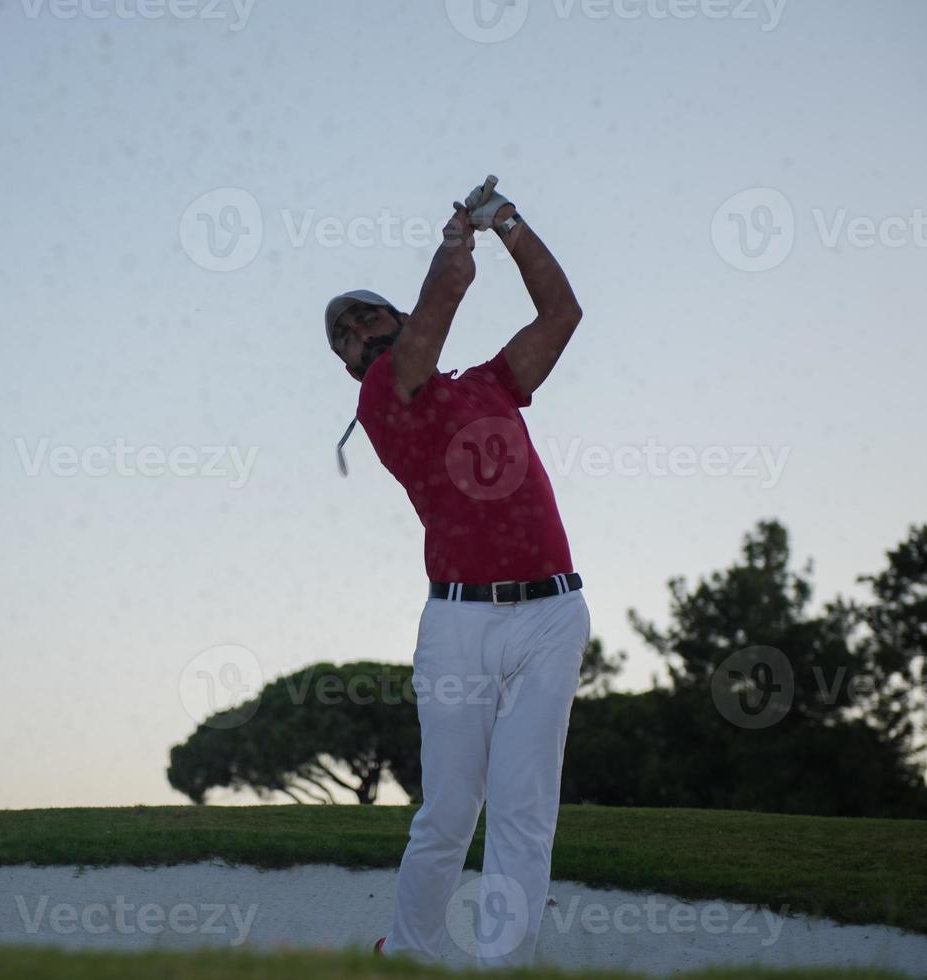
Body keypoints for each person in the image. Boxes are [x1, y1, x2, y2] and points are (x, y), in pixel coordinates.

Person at [325, 182, 590, 969]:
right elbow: (443, 296)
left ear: (393, 320)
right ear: (347, 367)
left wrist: (507, 223)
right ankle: (407, 952)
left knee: (521, 807)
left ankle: (500, 967)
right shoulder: (383, 394)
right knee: (447, 810)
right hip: (457, 625)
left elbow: (561, 316)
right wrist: (458, 238)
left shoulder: (489, 385)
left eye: (368, 314)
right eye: (343, 332)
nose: (358, 329)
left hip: (550, 614)